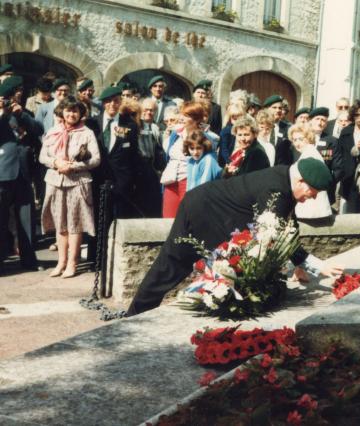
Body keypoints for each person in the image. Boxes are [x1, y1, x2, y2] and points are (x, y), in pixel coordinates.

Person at [125, 158, 343, 316]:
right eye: (311, 192)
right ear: (301, 181)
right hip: (205, 212)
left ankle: (136, 312)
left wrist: (304, 264)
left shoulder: (284, 179)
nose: (310, 198)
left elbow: (287, 227)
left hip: (208, 209)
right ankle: (134, 316)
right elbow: (275, 234)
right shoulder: (276, 189)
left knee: (180, 265)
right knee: (175, 263)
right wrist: (313, 264)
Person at [40, 97, 101, 278]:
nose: (71, 114)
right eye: (68, 110)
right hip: (55, 181)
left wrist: (73, 166)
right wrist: (56, 162)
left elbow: (96, 159)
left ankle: (73, 263)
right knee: (60, 224)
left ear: (81, 113)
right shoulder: (53, 131)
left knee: (75, 224)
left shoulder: (86, 133)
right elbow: (43, 156)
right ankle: (61, 262)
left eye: (75, 111)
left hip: (78, 183)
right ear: (62, 112)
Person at [85, 86, 141, 265]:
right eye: (108, 101)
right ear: (103, 103)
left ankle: (115, 259)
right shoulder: (92, 124)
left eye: (116, 101)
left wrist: (131, 181)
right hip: (97, 178)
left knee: (118, 217)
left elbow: (133, 155)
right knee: (97, 217)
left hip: (121, 180)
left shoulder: (129, 124)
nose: (112, 105)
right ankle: (96, 259)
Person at [0, 76, 44, 272]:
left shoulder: (22, 112)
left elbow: (39, 129)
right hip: (3, 172)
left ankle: (29, 260)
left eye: (19, 91)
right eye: (13, 92)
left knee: (26, 219)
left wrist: (23, 116)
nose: (17, 95)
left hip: (23, 172)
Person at [160, 101, 216, 218]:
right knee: (168, 219)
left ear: (196, 119)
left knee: (187, 219)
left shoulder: (206, 138)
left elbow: (208, 164)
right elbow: (168, 155)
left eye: (186, 116)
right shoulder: (176, 134)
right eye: (181, 114)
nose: (181, 118)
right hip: (171, 181)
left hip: (190, 182)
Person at [289, 124, 332, 219]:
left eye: (301, 139)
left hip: (312, 209)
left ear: (308, 138)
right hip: (310, 207)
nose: (297, 143)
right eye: (294, 140)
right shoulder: (307, 153)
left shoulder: (310, 155)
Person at [337, 99, 360, 213]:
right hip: (350, 178)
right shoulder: (346, 131)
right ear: (352, 116)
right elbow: (340, 154)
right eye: (357, 115)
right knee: (351, 211)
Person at [308, 107, 345, 206]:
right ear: (310, 121)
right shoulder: (301, 138)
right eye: (317, 119)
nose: (320, 123)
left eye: (323, 120)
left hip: (323, 190)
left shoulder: (332, 141)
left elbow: (338, 168)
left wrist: (327, 183)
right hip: (302, 188)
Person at [134, 98, 165, 218]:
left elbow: (159, 149)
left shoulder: (155, 128)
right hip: (137, 170)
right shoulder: (134, 125)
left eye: (152, 110)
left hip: (151, 170)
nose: (148, 112)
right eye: (146, 109)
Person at [263, 94, 294, 165]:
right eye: (274, 107)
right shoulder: (259, 126)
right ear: (266, 109)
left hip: (279, 171)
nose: (278, 110)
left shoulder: (287, 128)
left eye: (280, 108)